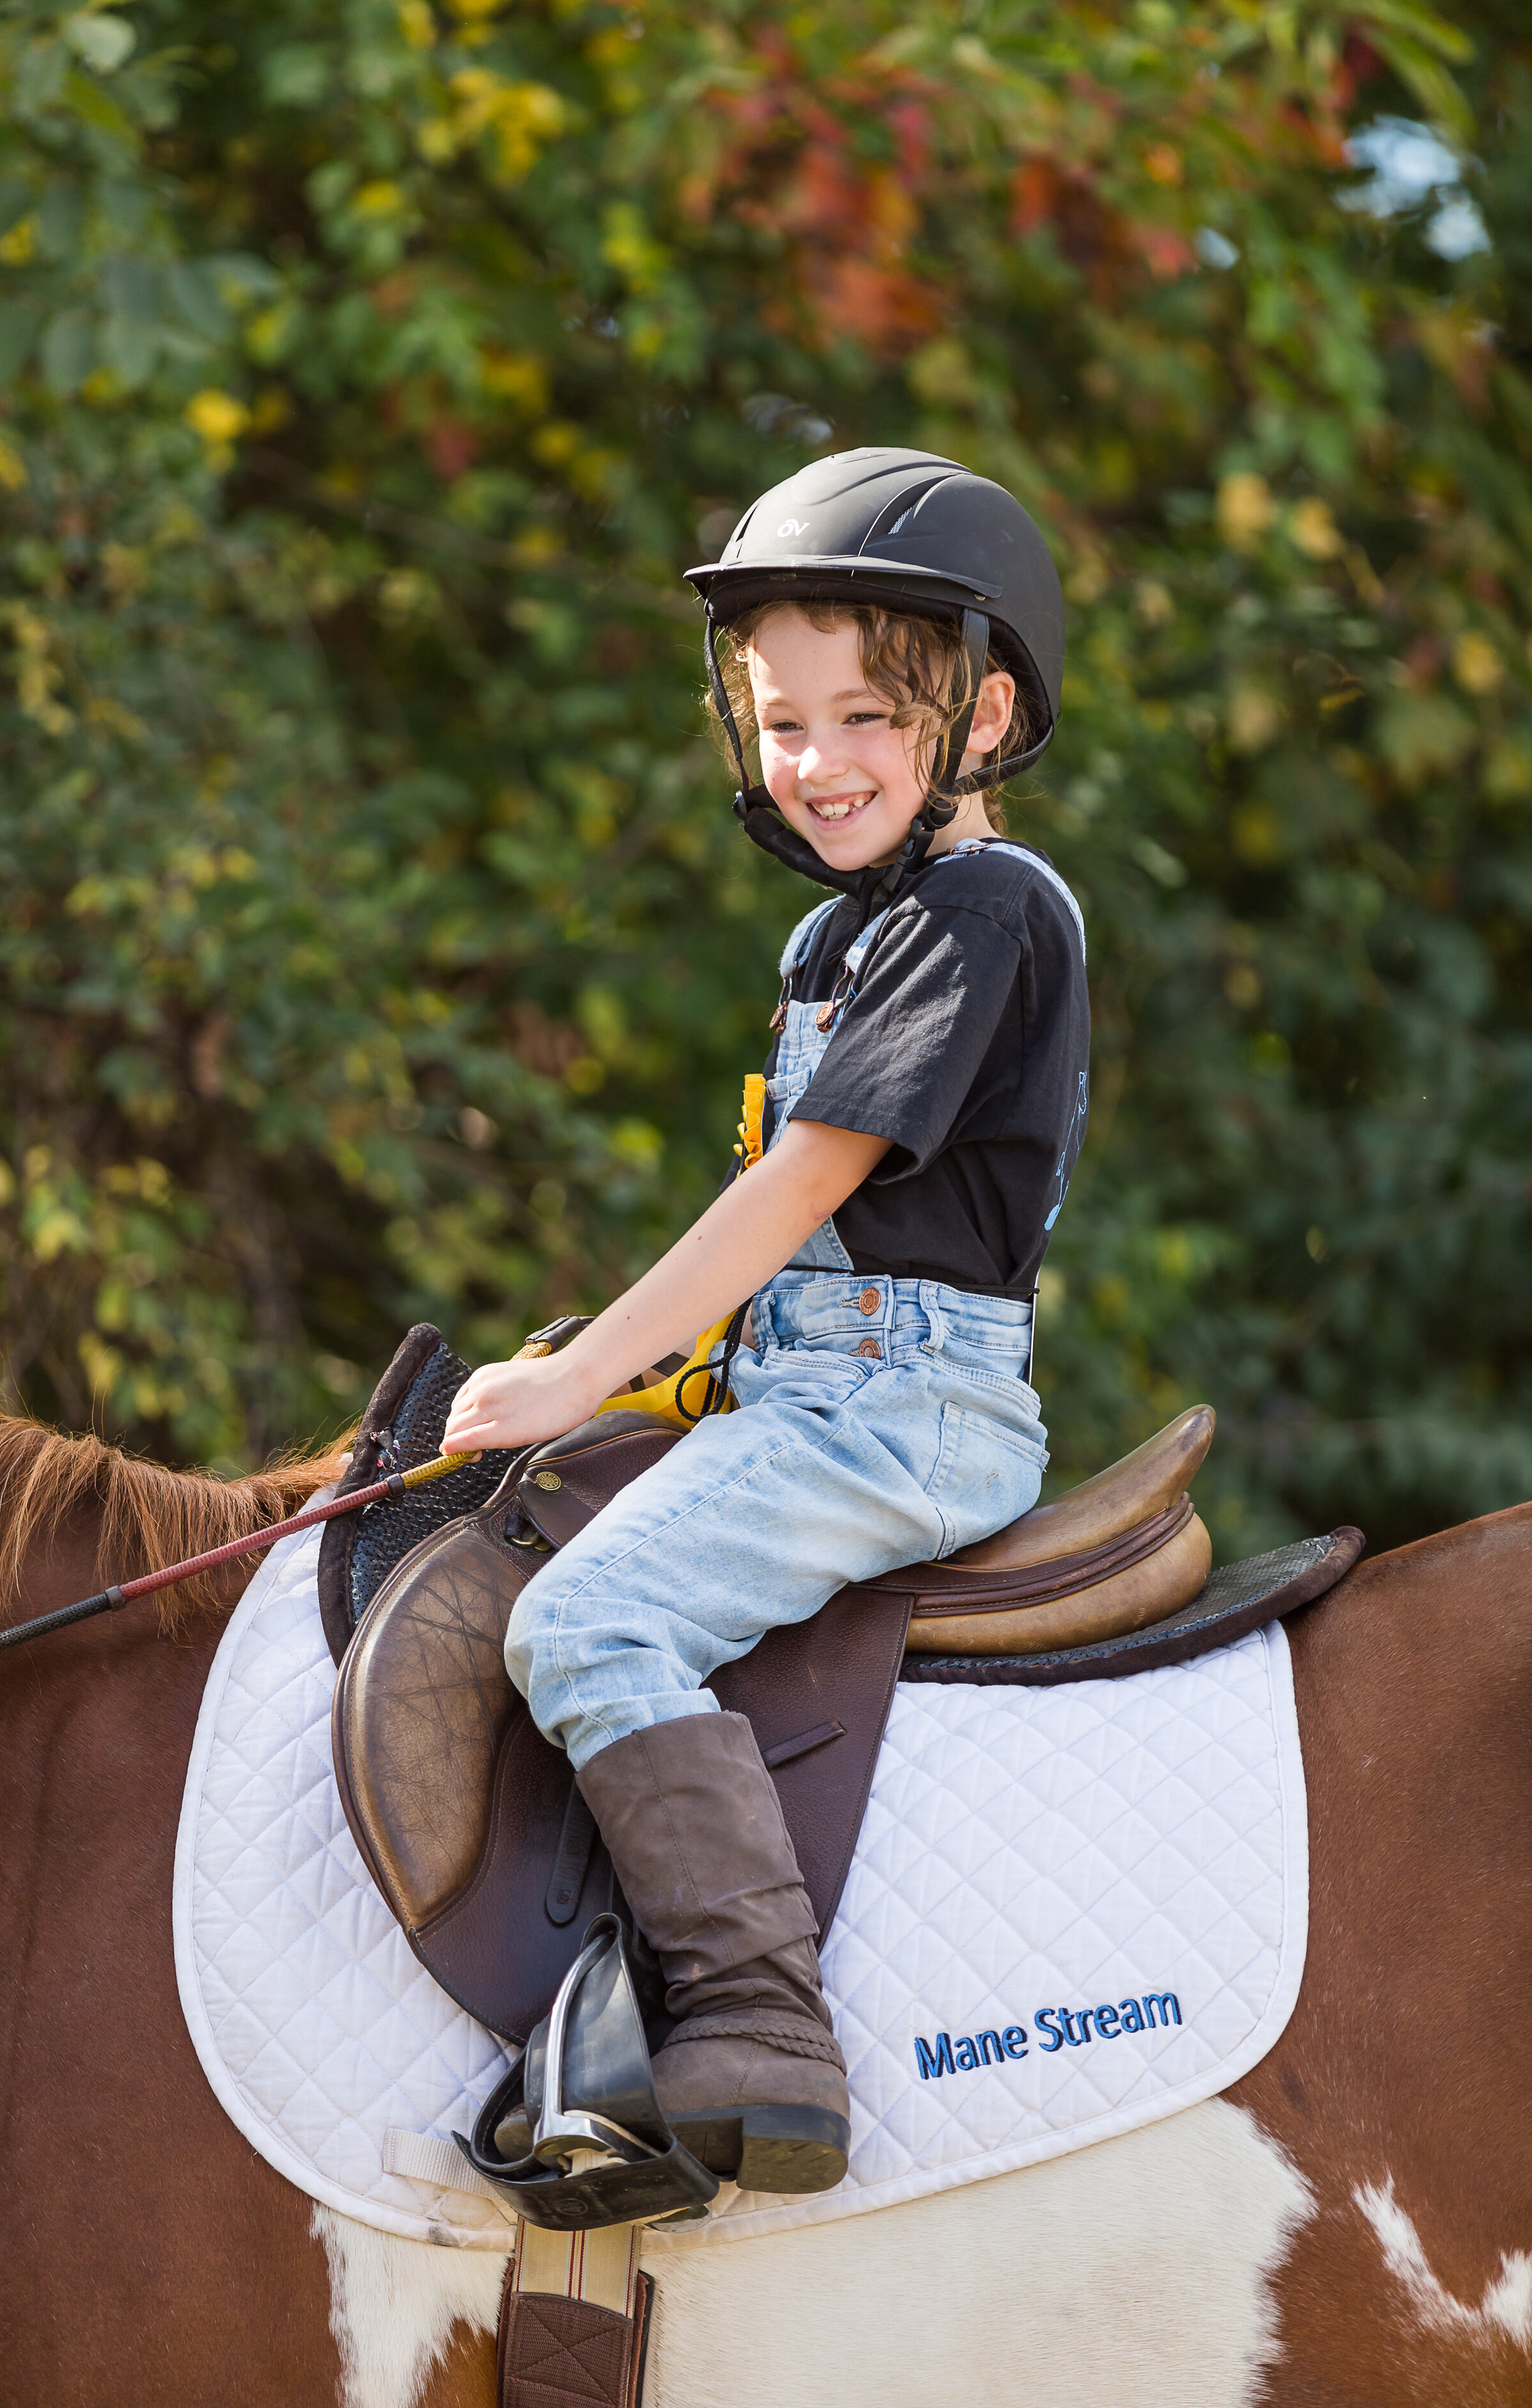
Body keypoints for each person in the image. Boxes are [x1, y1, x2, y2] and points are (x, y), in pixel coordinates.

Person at [442, 448, 1089, 2196]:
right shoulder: (835, 938)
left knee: (582, 1632)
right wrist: (623, 1375)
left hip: (905, 1411)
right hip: (802, 1388)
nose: (817, 765)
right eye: (782, 723)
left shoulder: (984, 911)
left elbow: (804, 1187)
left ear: (984, 711)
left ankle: (752, 2029)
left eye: (865, 718)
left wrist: (589, 1369)